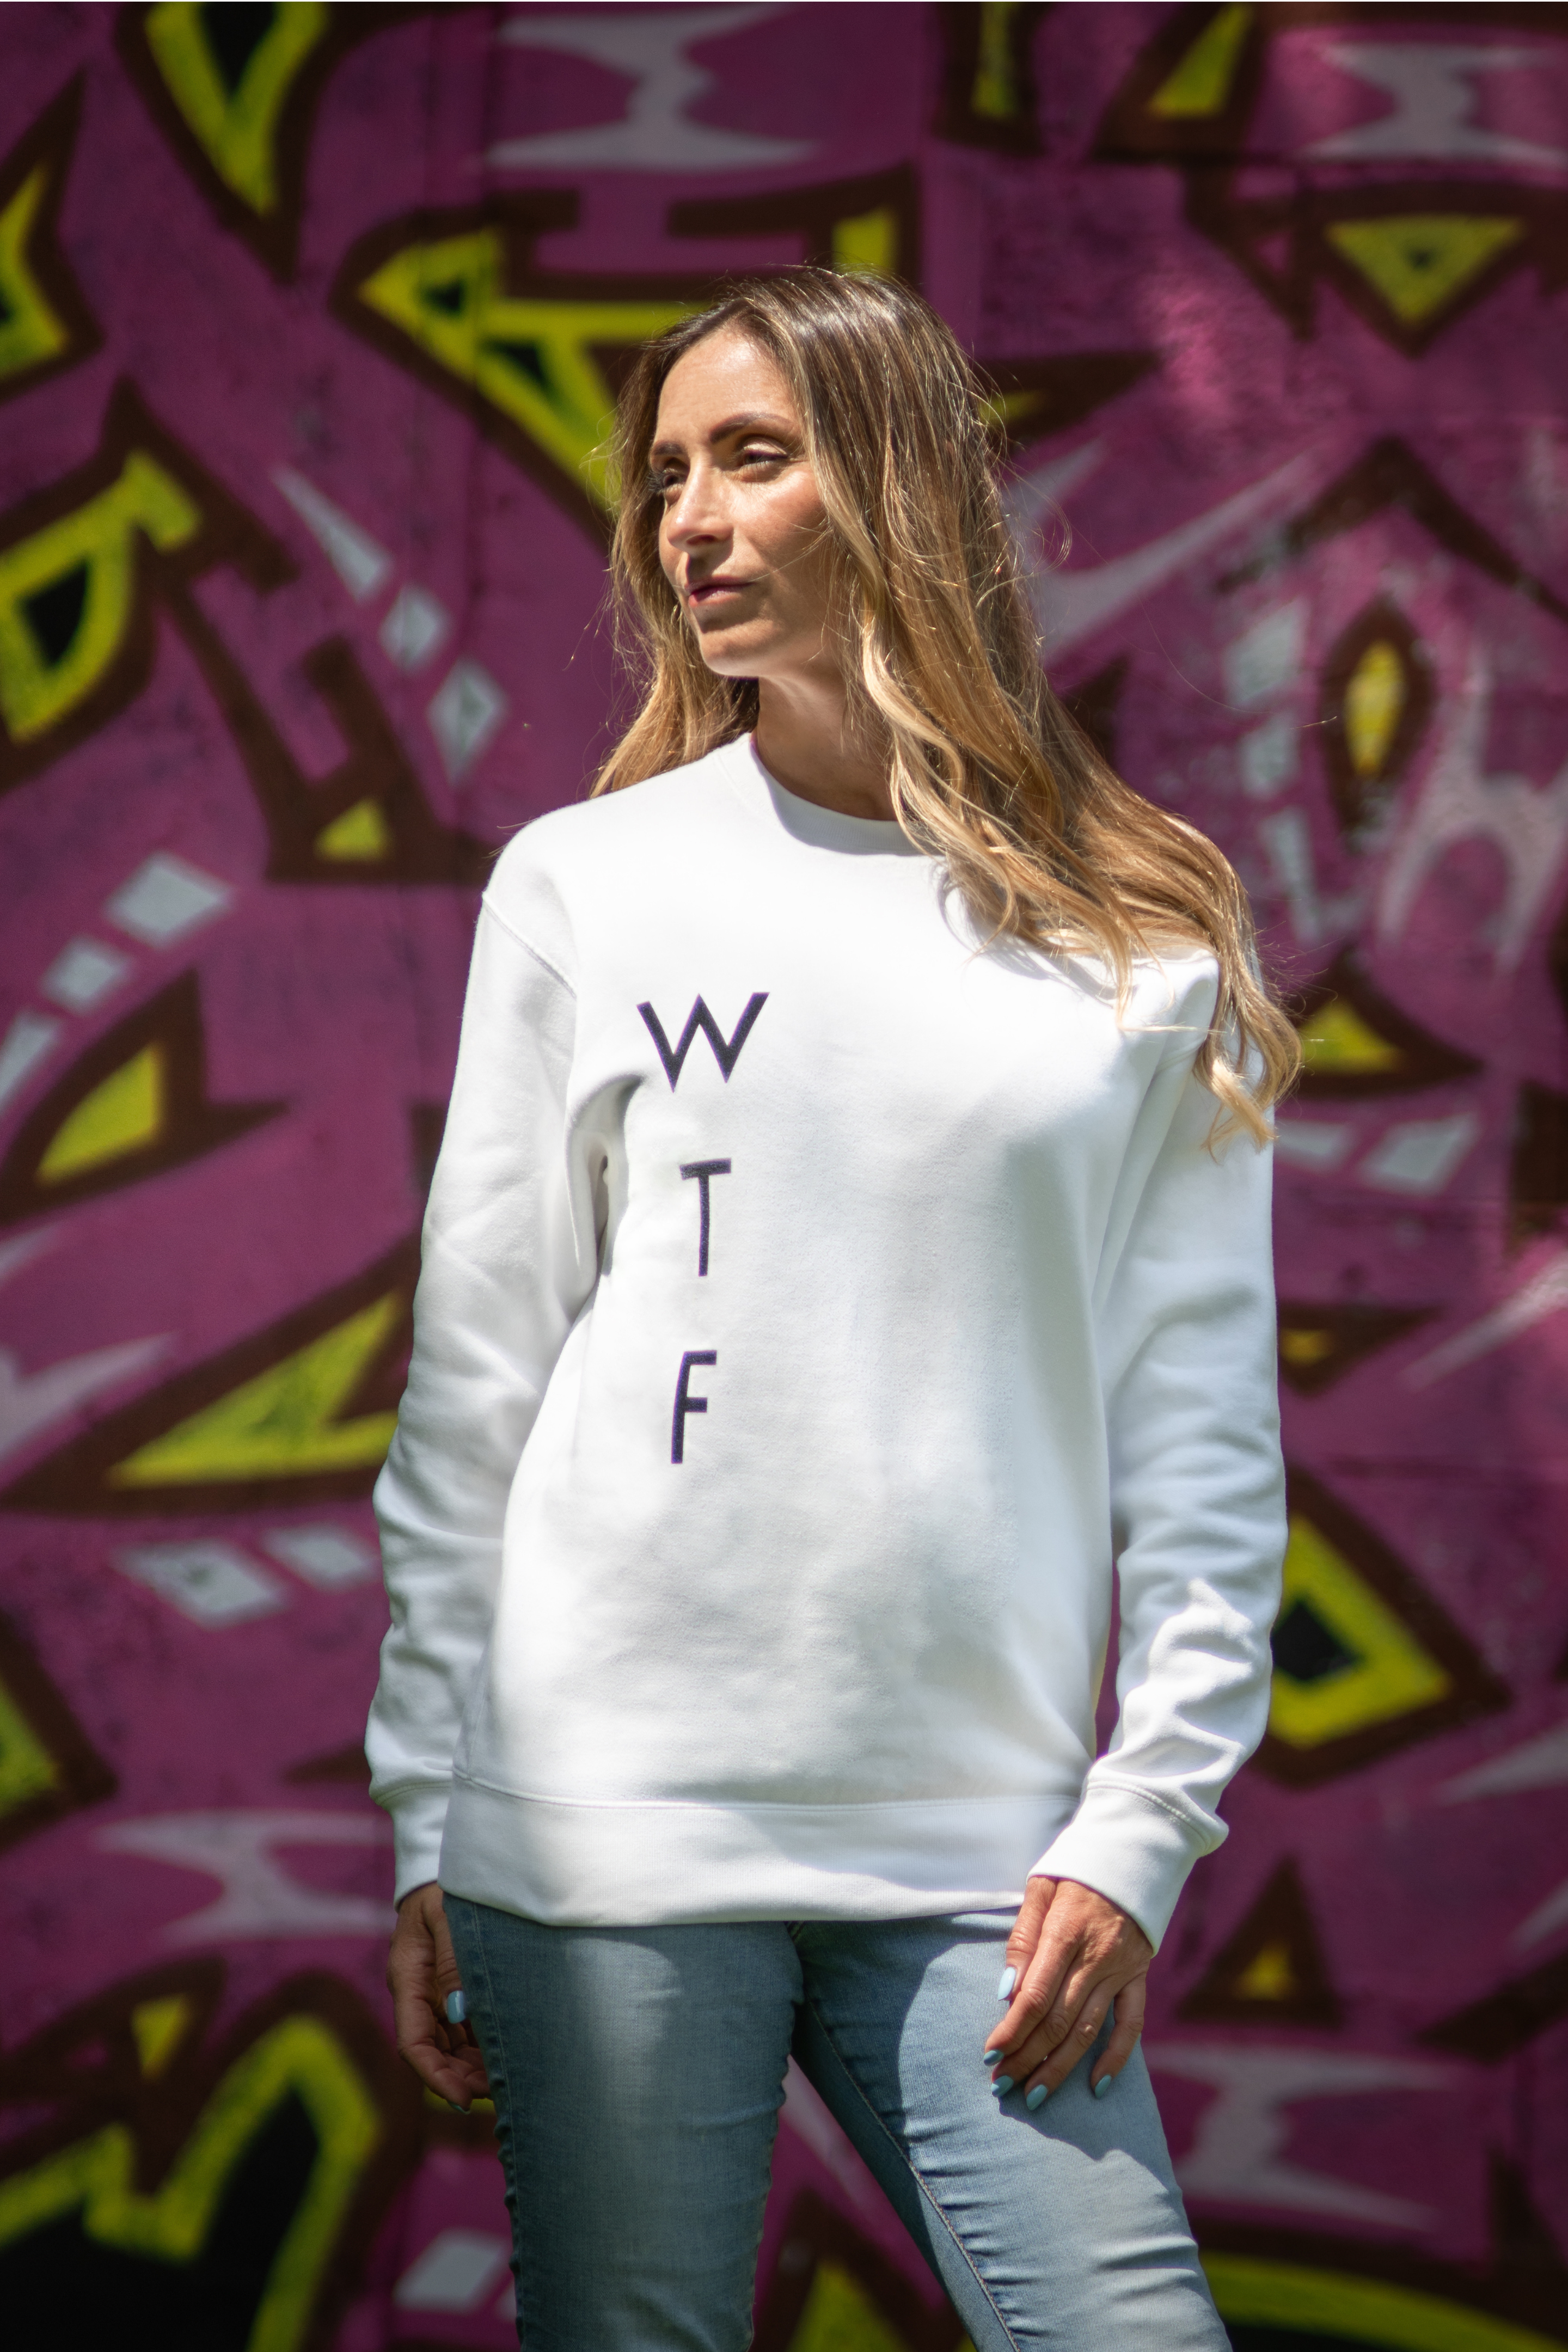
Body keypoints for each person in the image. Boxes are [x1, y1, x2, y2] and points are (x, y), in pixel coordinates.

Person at [368, 268, 1295, 2350]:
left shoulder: (1143, 932)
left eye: (751, 458)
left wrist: (1142, 1825)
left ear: (893, 489)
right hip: (602, 1825)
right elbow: (478, 1386)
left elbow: (1208, 1443)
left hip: (983, 1852)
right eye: (665, 475)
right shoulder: (587, 883)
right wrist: (426, 1801)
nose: (688, 516)